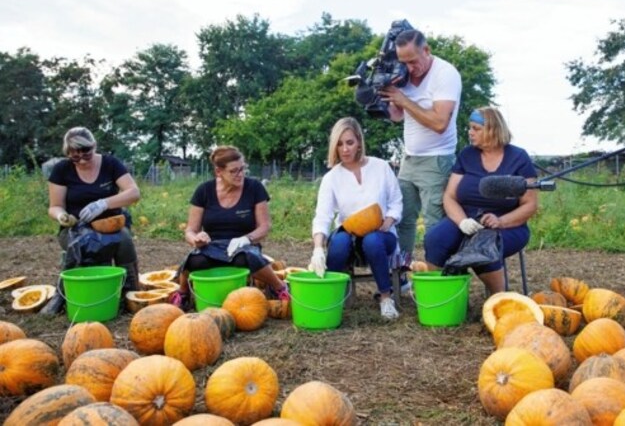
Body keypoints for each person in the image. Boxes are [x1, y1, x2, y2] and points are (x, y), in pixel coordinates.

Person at [423, 107, 538, 294]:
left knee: (484, 246)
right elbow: (450, 196)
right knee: (435, 238)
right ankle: (442, 296)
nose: (470, 132)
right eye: (470, 128)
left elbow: (530, 205)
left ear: (492, 129)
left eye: (476, 128)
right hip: (468, 219)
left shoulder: (518, 158)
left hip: (507, 225)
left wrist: (500, 221)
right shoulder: (467, 155)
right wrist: (462, 222)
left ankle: (498, 299)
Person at [379, 29, 462, 268]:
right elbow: (398, 117)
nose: (409, 68)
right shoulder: (403, 75)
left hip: (437, 160)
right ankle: (402, 275)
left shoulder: (445, 74)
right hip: (410, 158)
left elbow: (439, 123)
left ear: (427, 50)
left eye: (413, 61)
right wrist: (387, 99)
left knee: (435, 223)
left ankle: (434, 278)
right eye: (403, 62)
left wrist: (404, 100)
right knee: (402, 219)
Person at [169, 146, 287, 310]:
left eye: (242, 169)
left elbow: (265, 226)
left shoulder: (254, 188)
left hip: (244, 246)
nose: (240, 175)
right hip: (212, 246)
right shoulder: (204, 191)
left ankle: (279, 287)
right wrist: (196, 239)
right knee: (195, 260)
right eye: (234, 171)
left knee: (245, 258)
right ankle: (183, 293)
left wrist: (247, 239)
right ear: (219, 172)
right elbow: (190, 230)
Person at [309, 117, 404, 320]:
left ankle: (386, 298)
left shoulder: (381, 167)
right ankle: (329, 296)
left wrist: (388, 222)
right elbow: (323, 216)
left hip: (381, 234)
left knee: (372, 240)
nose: (345, 149)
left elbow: (397, 202)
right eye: (340, 144)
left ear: (359, 142)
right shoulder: (331, 178)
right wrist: (318, 248)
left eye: (349, 142)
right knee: (340, 241)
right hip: (350, 234)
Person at [46, 126, 141, 313]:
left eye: (86, 154)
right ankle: (64, 293)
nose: (81, 160)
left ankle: (130, 292)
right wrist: (61, 216)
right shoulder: (61, 170)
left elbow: (134, 193)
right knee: (84, 242)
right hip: (75, 227)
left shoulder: (110, 164)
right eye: (74, 156)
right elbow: (54, 205)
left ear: (94, 146)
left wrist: (104, 204)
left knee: (124, 239)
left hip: (110, 223)